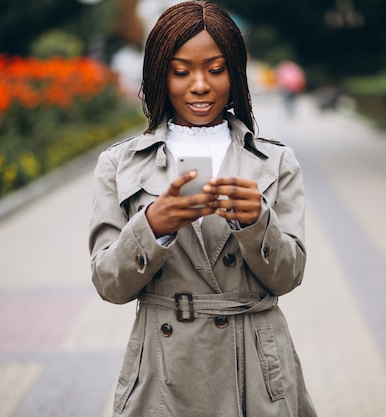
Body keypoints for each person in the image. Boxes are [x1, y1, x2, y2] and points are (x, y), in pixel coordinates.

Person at [88, 1, 317, 416]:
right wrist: (152, 227)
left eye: (215, 69)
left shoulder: (275, 161)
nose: (200, 85)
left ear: (235, 72)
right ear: (160, 73)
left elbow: (289, 275)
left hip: (254, 365)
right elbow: (108, 284)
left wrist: (257, 224)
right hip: (163, 370)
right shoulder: (119, 164)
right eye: (181, 71)